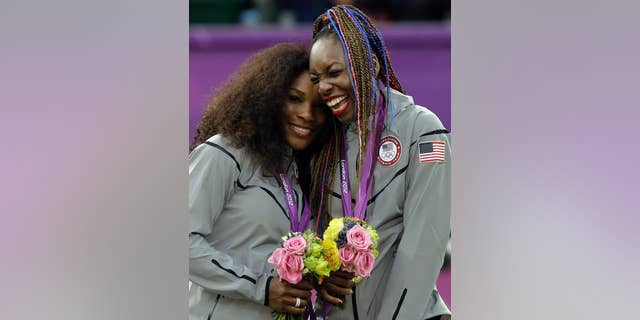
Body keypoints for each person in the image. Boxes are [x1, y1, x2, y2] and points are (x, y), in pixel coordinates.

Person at [307, 5, 451, 320]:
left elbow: (424, 246)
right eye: (316, 79)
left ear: (369, 65)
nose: (323, 88)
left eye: (334, 72)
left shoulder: (421, 130)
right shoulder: (324, 142)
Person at [188, 43, 330, 319]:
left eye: (319, 106)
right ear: (269, 97)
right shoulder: (225, 153)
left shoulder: (301, 172)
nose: (308, 114)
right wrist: (261, 288)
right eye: (294, 99)